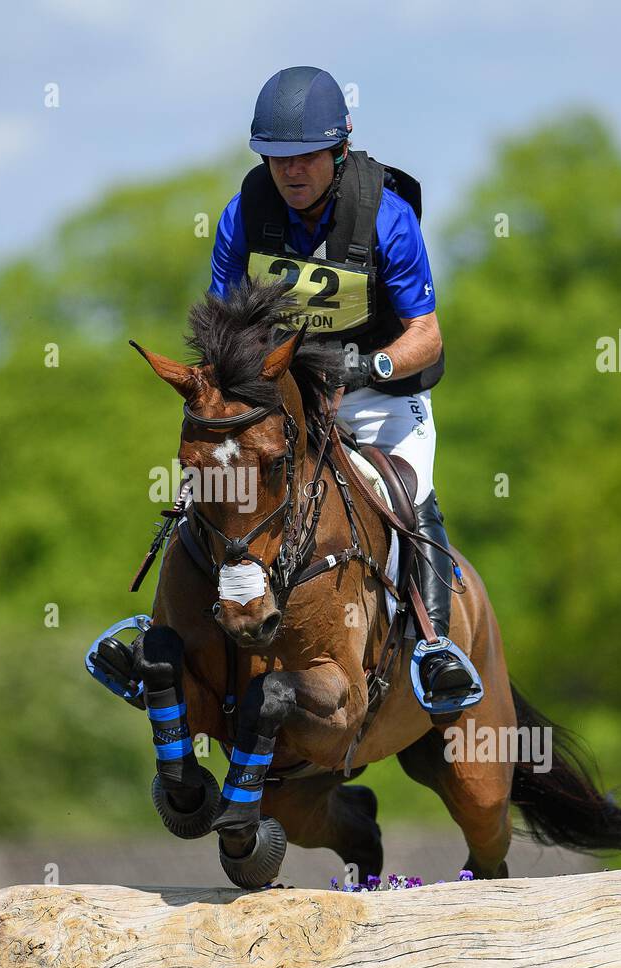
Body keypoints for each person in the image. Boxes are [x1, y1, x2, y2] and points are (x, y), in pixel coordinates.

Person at [207, 65, 476, 702]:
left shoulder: (385, 215)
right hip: (284, 399)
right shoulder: (242, 215)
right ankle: (164, 629)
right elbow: (223, 334)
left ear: (338, 150)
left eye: (305, 158)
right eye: (276, 159)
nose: (290, 173)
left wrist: (368, 367)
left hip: (378, 393)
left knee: (409, 498)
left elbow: (427, 335)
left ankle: (437, 648)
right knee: (220, 481)